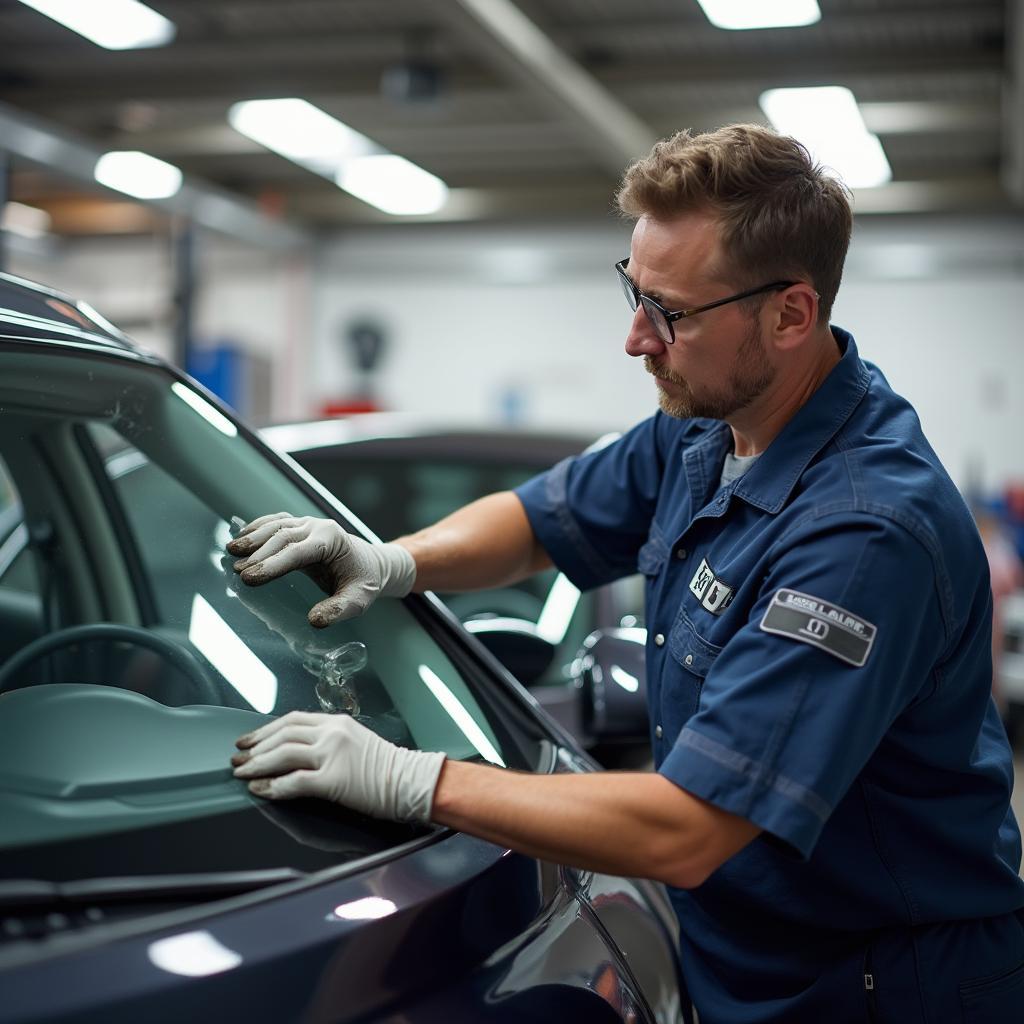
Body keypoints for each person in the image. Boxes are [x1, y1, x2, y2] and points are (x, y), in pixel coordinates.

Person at [226, 125, 1024, 1022]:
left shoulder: (865, 536)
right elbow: (538, 521)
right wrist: (394, 561)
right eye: (633, 293)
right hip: (751, 963)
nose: (636, 339)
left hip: (882, 989)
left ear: (792, 314)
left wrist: (415, 780)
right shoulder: (713, 422)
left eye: (671, 312)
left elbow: (689, 828)